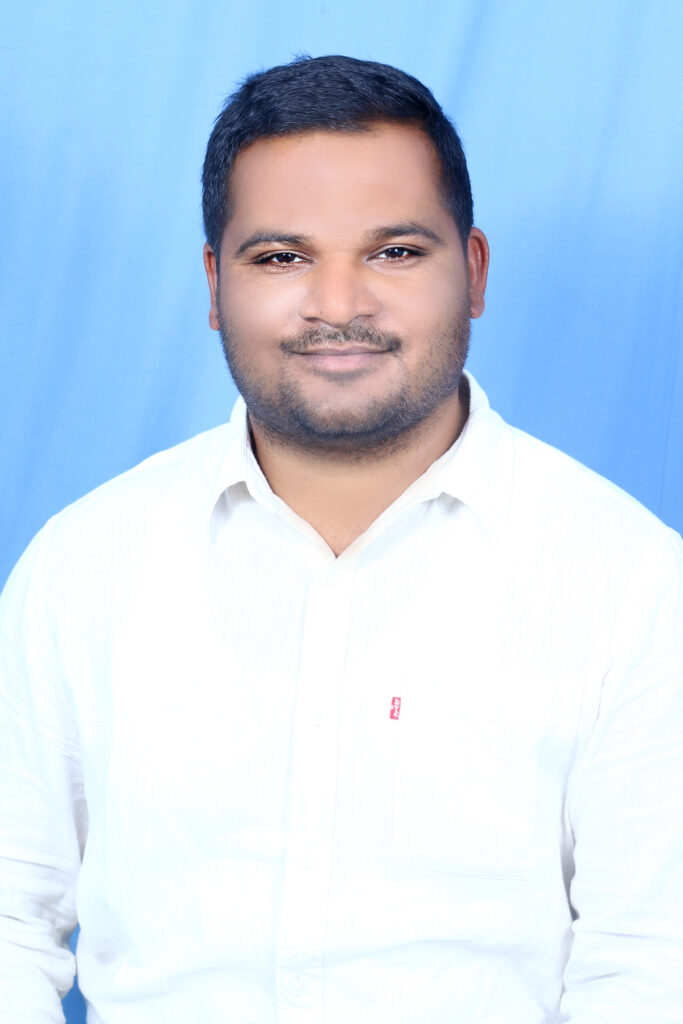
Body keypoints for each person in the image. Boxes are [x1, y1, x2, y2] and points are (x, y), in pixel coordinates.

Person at [1, 54, 681, 1024]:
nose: (338, 306)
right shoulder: (86, 564)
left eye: (393, 252)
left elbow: (651, 966)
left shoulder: (626, 580)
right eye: (282, 257)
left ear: (473, 270)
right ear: (213, 282)